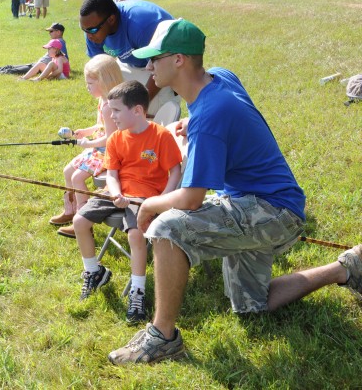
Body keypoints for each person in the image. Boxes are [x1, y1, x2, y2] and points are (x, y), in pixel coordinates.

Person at [107, 18, 362, 365]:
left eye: (156, 58)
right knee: (250, 308)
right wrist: (191, 121)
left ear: (179, 59)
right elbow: (228, 112)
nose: (149, 66)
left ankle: (162, 337)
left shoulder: (209, 117)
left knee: (166, 227)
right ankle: (345, 267)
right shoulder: (219, 77)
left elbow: (191, 199)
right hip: (268, 202)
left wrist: (149, 203)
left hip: (271, 211)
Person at [68, 80, 182, 324]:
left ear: (138, 111)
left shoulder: (161, 136)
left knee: (135, 236)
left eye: (117, 110)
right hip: (117, 194)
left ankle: (137, 292)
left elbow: (175, 171)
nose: (111, 116)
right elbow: (111, 173)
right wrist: (115, 192)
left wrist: (163, 200)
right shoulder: (116, 139)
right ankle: (94, 271)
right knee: (79, 221)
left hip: (145, 199)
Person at [49, 54, 123, 228]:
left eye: (90, 84)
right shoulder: (102, 100)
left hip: (109, 152)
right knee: (68, 171)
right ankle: (70, 210)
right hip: (98, 148)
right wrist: (87, 131)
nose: (87, 87)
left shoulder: (109, 107)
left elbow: (111, 138)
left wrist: (88, 143)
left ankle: (82, 223)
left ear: (105, 82)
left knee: (77, 178)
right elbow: (102, 125)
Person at [79, 0, 179, 118]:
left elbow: (164, 64)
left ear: (111, 19)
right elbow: (101, 72)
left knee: (155, 114)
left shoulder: (141, 25)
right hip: (129, 62)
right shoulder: (92, 28)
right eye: (84, 30)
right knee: (117, 104)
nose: (88, 35)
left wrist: (140, 104)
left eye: (92, 30)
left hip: (164, 61)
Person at [0, 23, 68, 77]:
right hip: (37, 64)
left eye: (51, 31)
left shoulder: (60, 43)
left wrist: (48, 72)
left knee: (10, 70)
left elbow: (63, 60)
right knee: (9, 67)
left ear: (58, 32)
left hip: (39, 68)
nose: (49, 33)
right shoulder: (57, 42)